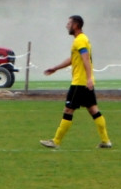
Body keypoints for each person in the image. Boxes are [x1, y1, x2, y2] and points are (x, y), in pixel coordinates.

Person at [40, 14, 112, 149]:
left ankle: (55, 141)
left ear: (76, 25)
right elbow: (74, 59)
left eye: (69, 23)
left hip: (80, 83)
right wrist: (56, 68)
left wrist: (89, 78)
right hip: (85, 82)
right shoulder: (82, 40)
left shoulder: (80, 40)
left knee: (68, 110)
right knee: (93, 110)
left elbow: (85, 59)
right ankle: (106, 141)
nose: (67, 26)